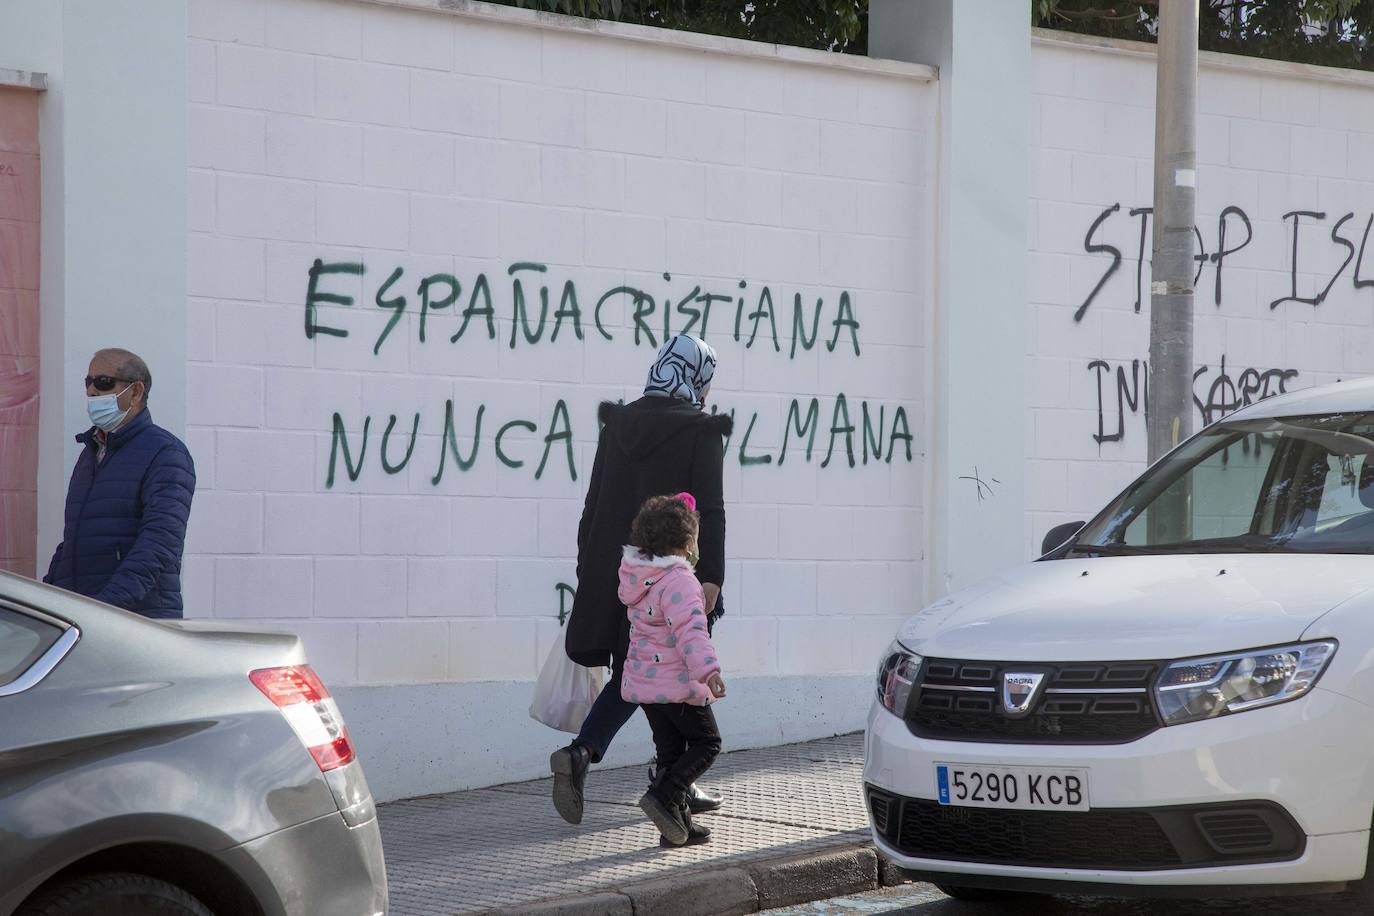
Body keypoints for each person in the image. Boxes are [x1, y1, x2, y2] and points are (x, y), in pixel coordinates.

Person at [551, 335, 730, 825]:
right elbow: (710, 510)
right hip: (670, 578)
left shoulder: (620, 422)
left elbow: (594, 502)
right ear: (697, 378)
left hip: (616, 571)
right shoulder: (701, 430)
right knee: (661, 674)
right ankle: (647, 776)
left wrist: (587, 569)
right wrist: (711, 577)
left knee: (640, 674)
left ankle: (654, 779)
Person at [44, 348, 196, 619]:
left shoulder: (166, 453)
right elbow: (73, 541)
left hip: (135, 623)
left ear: (135, 392)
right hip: (84, 622)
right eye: (87, 382)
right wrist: (49, 600)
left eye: (103, 383)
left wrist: (105, 610)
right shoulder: (91, 451)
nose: (92, 391)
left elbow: (159, 546)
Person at [619, 493, 725, 847]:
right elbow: (691, 632)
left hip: (648, 687)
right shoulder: (680, 581)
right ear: (684, 543)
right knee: (707, 743)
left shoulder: (640, 577)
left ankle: (676, 828)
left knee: (670, 754)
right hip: (679, 685)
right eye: (695, 540)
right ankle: (664, 796)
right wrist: (708, 671)